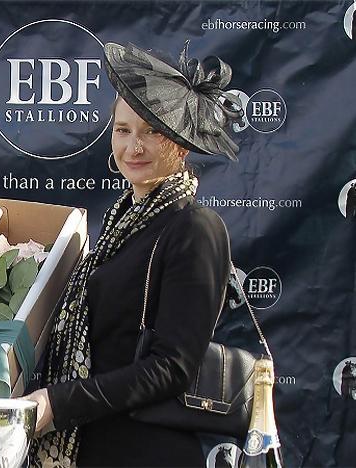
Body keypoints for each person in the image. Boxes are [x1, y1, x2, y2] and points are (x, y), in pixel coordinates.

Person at [23, 41, 241, 467]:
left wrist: (59, 402)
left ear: (180, 143)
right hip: (93, 446)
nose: (133, 147)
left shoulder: (195, 229)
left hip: (148, 453)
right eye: (123, 130)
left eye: (152, 131)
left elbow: (172, 368)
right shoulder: (121, 224)